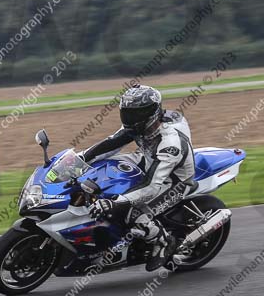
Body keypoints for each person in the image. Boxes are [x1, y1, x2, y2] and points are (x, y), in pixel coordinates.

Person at [81, 84, 196, 271]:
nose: (129, 119)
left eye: (135, 114)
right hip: (149, 160)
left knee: (134, 215)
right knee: (105, 168)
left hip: (174, 180)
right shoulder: (142, 125)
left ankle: (165, 242)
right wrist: (78, 160)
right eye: (126, 113)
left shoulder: (170, 143)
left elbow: (151, 185)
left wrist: (116, 202)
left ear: (151, 113)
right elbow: (111, 144)